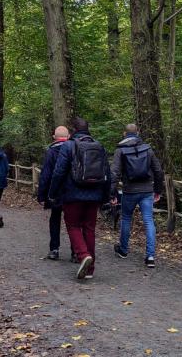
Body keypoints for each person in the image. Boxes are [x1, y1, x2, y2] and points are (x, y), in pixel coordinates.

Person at [49, 117, 111, 280]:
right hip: (95, 194)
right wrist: (106, 196)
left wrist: (53, 193)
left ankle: (84, 256)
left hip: (72, 194)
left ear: (73, 131)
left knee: (73, 226)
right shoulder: (99, 146)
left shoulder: (69, 146)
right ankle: (90, 270)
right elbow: (107, 173)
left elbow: (59, 172)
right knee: (89, 229)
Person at [110, 123, 164, 268]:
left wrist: (112, 193)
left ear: (124, 134)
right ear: (138, 133)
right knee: (149, 220)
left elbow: (114, 173)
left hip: (129, 190)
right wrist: (158, 190)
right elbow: (158, 171)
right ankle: (150, 256)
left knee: (126, 218)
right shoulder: (148, 149)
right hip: (147, 190)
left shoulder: (120, 151)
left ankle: (123, 250)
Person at [37, 125, 73, 261]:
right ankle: (75, 251)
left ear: (54, 137)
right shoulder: (74, 149)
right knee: (73, 222)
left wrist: (41, 195)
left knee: (55, 219)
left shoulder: (51, 152)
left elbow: (45, 175)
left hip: (55, 192)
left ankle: (54, 249)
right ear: (68, 136)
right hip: (72, 191)